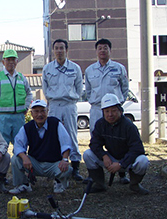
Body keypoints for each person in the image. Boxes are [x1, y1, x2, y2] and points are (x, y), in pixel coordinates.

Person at [83, 93, 150, 195]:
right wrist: (104, 155)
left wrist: (121, 164)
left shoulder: (129, 126)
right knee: (88, 154)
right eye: (107, 111)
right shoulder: (100, 124)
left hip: (127, 160)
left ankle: (135, 184)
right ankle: (99, 184)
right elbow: (94, 144)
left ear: (120, 111)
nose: (110, 114)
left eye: (113, 110)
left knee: (143, 161)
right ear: (103, 112)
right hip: (111, 157)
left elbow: (137, 149)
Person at [84, 38, 130, 184]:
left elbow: (124, 87)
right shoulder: (90, 70)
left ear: (110, 50)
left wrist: (118, 104)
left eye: (105, 48)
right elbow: (88, 90)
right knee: (96, 139)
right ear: (96, 51)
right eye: (100, 48)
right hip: (97, 108)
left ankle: (122, 173)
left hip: (115, 111)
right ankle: (97, 177)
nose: (102, 50)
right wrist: (93, 101)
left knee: (119, 140)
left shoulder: (119, 68)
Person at [9, 99, 72, 195]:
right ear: (32, 113)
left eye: (42, 111)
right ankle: (23, 184)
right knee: (15, 159)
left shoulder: (56, 124)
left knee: (67, 168)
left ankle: (59, 182)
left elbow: (66, 143)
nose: (40, 114)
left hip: (54, 163)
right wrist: (25, 158)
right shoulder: (27, 127)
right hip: (35, 163)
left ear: (47, 112)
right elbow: (18, 145)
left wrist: (65, 159)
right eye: (36, 111)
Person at [43, 39, 84, 182]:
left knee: (71, 134)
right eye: (56, 48)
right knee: (53, 135)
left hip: (69, 105)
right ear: (53, 50)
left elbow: (79, 88)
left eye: (62, 48)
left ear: (67, 50)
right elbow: (45, 88)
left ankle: (76, 167)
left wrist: (72, 98)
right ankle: (55, 166)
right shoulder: (47, 68)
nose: (59, 51)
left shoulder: (75, 68)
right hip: (54, 105)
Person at [0, 49, 33, 145]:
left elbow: (29, 94)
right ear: (3, 62)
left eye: (13, 59)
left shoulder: (21, 77)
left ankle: (18, 160)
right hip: (2, 117)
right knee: (2, 145)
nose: (11, 62)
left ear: (17, 61)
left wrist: (27, 106)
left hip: (19, 117)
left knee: (20, 144)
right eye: (8, 59)